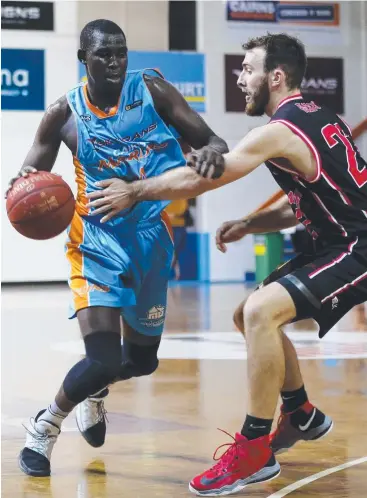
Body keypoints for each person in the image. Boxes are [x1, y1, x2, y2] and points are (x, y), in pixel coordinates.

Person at [87, 33, 367, 496]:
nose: (239, 79)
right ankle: (299, 412)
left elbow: (206, 175)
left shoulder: (280, 130)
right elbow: (315, 200)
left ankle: (254, 449)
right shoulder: (315, 116)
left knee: (262, 312)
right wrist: (250, 222)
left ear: (275, 77)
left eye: (247, 70)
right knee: (247, 314)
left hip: (357, 248)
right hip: (335, 243)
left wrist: (135, 190)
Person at [5, 19, 228, 477]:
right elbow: (31, 169)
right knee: (102, 357)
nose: (114, 61)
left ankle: (94, 389)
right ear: (83, 59)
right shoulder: (62, 114)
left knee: (142, 362)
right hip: (95, 240)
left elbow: (212, 139)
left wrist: (212, 152)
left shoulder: (154, 92)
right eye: (103, 54)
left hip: (150, 237)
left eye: (121, 52)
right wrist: (20, 183)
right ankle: (45, 426)